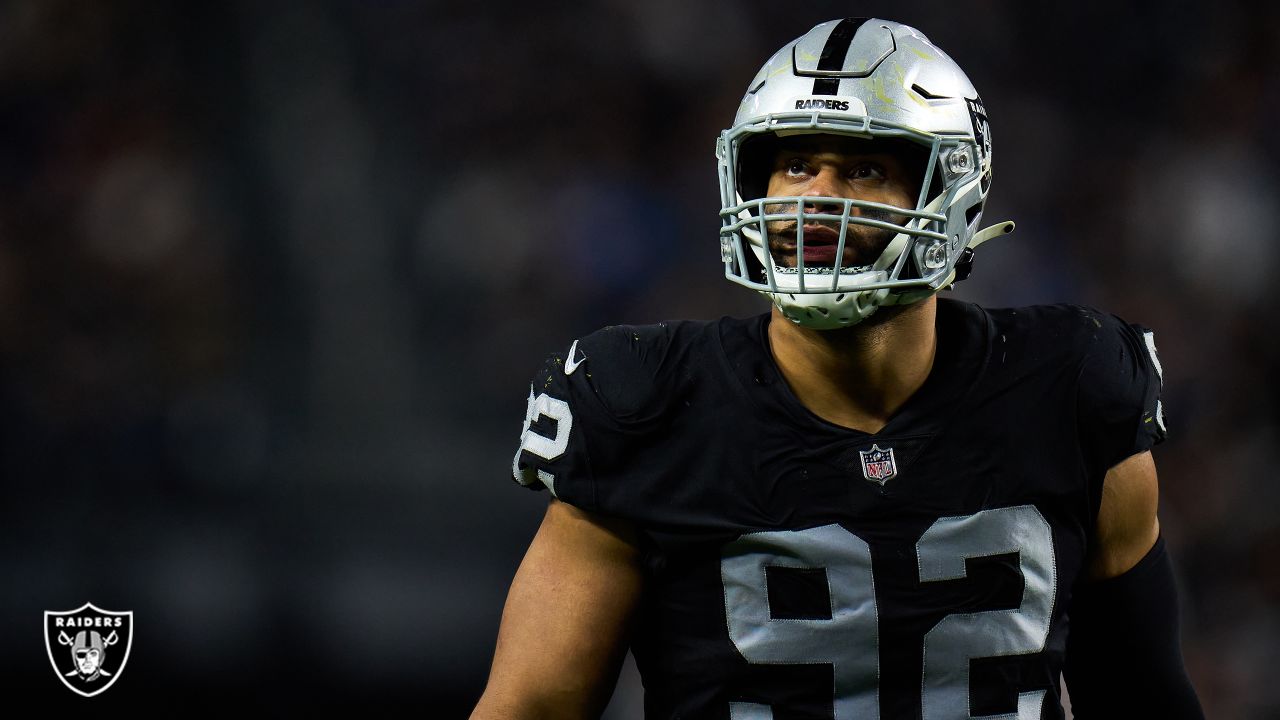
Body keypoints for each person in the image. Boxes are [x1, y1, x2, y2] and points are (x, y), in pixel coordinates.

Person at [473, 18, 1204, 720]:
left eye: (862, 167)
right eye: (794, 163)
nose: (816, 197)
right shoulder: (641, 402)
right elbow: (531, 707)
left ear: (949, 191)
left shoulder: (1071, 385)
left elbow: (1140, 698)